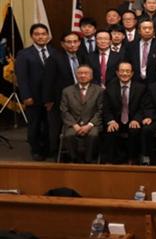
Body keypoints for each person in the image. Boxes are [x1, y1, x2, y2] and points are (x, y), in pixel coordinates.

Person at [42, 31, 89, 160]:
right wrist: (48, 100)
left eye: (75, 42)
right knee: (56, 127)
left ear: (79, 43)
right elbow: (48, 80)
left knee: (78, 125)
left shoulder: (83, 56)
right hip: (59, 99)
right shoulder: (54, 58)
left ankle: (80, 152)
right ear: (63, 44)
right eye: (69, 42)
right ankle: (56, 152)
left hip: (82, 97)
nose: (72, 44)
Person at [16, 23, 54, 160]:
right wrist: (26, 95)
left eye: (43, 34)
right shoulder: (24, 54)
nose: (40, 37)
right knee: (35, 125)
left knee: (49, 124)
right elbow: (22, 77)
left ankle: (47, 149)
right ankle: (36, 150)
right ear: (32, 36)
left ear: (48, 36)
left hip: (50, 97)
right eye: (37, 34)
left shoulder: (54, 52)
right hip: (33, 96)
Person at [102, 62, 148, 164]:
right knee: (111, 130)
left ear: (132, 73)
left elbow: (143, 108)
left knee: (135, 130)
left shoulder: (141, 88)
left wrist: (137, 119)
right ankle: (112, 162)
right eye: (122, 71)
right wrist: (111, 121)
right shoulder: (110, 87)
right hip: (116, 120)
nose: (125, 73)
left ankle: (132, 160)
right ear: (117, 73)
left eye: (127, 71)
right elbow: (106, 108)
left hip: (133, 119)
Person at [60, 64, 103, 163]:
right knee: (69, 135)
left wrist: (89, 125)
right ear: (76, 75)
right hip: (73, 124)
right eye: (80, 73)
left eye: (86, 73)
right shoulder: (67, 91)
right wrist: (74, 125)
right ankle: (75, 160)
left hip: (92, 124)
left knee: (93, 135)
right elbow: (64, 111)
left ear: (91, 76)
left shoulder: (99, 91)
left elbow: (100, 110)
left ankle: (89, 160)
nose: (83, 75)